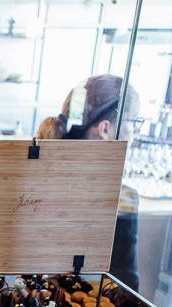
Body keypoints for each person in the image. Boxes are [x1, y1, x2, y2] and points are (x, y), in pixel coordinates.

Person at [38, 74, 141, 290]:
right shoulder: (120, 197)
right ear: (105, 129)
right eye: (134, 122)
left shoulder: (41, 175)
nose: (135, 131)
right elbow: (125, 287)